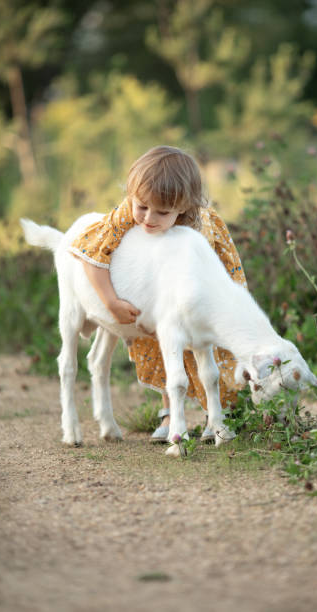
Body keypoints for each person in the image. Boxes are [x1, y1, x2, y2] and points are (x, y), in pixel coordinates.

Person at [69, 145, 247, 442]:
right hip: (159, 296)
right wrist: (111, 301)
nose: (148, 218)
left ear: (184, 207)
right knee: (164, 346)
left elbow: (213, 271)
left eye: (162, 212)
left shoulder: (200, 226)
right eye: (142, 206)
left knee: (208, 348)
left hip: (199, 296)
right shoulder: (128, 212)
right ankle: (169, 413)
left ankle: (213, 415)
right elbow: (92, 255)